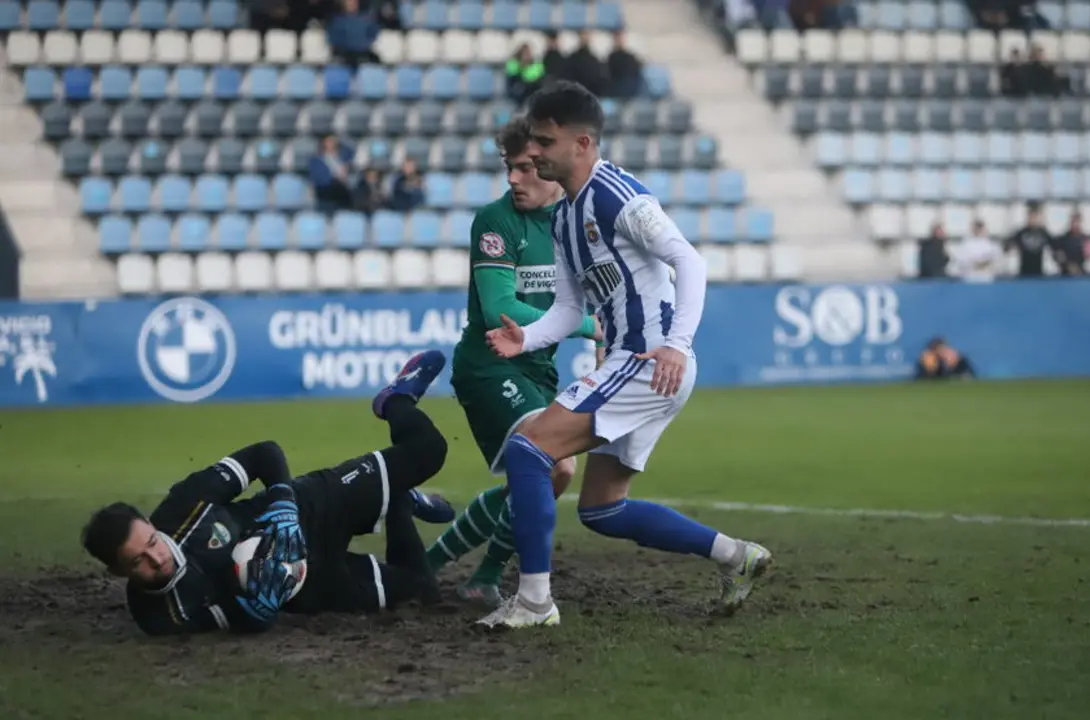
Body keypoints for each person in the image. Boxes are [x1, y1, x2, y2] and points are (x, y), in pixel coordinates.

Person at [478, 80, 773, 630]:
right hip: (635, 364)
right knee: (601, 509)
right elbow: (569, 308)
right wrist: (528, 338)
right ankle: (738, 557)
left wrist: (676, 344)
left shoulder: (618, 196)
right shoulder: (564, 216)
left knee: (528, 451)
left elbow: (690, 261)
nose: (533, 152)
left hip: (645, 361)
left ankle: (535, 602)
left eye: (545, 141)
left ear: (583, 143)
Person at [79, 352, 455, 637]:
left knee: (429, 451)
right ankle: (399, 501)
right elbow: (234, 621)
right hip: (307, 584)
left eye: (151, 541)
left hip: (310, 507)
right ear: (118, 572)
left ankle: (395, 400)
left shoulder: (183, 507)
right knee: (421, 594)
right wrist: (259, 611)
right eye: (138, 561)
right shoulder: (159, 616)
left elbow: (264, 454)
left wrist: (283, 507)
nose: (157, 558)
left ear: (150, 524)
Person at [423, 117, 603, 608]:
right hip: (489, 367)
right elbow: (500, 310)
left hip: (539, 370)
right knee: (556, 465)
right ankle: (465, 571)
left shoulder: (574, 221)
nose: (514, 179)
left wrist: (603, 344)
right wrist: (588, 327)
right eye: (509, 167)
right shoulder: (495, 221)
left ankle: (443, 569)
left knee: (545, 475)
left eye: (526, 168)